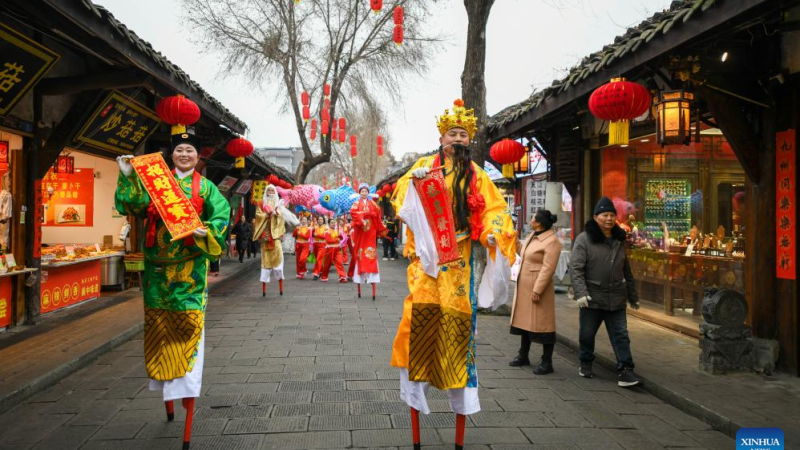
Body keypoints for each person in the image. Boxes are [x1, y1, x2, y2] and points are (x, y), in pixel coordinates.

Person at [390, 99, 516, 450]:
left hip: (459, 261)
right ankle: (416, 396)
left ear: (469, 139)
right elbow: (400, 199)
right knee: (418, 326)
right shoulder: (423, 167)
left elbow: (496, 209)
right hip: (428, 263)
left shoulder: (477, 175)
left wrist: (493, 232)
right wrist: (412, 184)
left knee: (459, 331)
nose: (457, 139)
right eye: (451, 133)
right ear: (442, 138)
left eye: (462, 134)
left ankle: (458, 398)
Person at [115, 129, 230, 450]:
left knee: (187, 325)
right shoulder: (156, 185)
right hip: (156, 271)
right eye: (179, 149)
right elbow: (132, 204)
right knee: (158, 325)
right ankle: (166, 387)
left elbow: (221, 219)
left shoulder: (207, 189)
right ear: (171, 154)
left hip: (189, 273)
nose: (184, 154)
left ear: (198, 157)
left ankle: (185, 393)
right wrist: (127, 176)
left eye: (189, 151)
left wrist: (203, 230)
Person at [570, 196, 643, 388]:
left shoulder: (619, 239)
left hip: (616, 297)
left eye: (612, 215)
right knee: (587, 334)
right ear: (595, 217)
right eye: (605, 215)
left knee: (621, 334)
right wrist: (581, 293)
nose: (609, 219)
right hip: (592, 297)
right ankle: (586, 362)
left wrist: (632, 295)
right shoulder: (584, 239)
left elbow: (625, 269)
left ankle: (626, 370)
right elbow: (576, 268)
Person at [509, 209, 562, 375]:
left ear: (538, 222)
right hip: (525, 286)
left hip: (538, 288)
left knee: (544, 325)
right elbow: (523, 253)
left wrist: (538, 289)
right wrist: (514, 240)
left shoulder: (551, 241)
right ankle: (523, 355)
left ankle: (547, 361)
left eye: (532, 218)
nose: (530, 219)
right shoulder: (534, 235)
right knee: (525, 323)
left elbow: (548, 268)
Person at [254, 184, 298, 297]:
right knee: (265, 261)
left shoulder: (279, 205)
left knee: (278, 259)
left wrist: (276, 214)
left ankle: (280, 281)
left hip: (275, 237)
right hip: (265, 237)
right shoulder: (261, 203)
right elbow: (258, 216)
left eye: (272, 190)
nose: (270, 192)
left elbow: (282, 218)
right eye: (268, 190)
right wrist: (266, 215)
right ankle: (264, 285)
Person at [350, 182, 386, 300]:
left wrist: (371, 213)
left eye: (366, 191)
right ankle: (361, 272)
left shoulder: (373, 204)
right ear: (359, 192)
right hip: (361, 232)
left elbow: (377, 213)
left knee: (371, 253)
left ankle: (371, 275)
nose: (364, 193)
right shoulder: (356, 204)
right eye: (362, 191)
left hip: (370, 232)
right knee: (360, 253)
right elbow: (353, 213)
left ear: (368, 192)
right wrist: (362, 217)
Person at [319, 217, 347, 283]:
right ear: (329, 224)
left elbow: (342, 237)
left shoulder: (338, 230)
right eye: (331, 223)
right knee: (327, 264)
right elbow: (329, 241)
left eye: (334, 222)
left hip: (337, 249)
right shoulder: (326, 231)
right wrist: (337, 239)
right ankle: (324, 276)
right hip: (329, 249)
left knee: (339, 263)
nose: (333, 224)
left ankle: (342, 276)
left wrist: (340, 236)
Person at [311, 215, 327, 279]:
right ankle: (321, 271)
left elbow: (325, 236)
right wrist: (312, 231)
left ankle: (316, 273)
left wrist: (317, 235)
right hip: (315, 245)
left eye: (321, 219)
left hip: (322, 245)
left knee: (318, 259)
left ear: (323, 221)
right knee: (318, 259)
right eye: (319, 219)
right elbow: (312, 235)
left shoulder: (326, 228)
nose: (320, 220)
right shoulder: (315, 227)